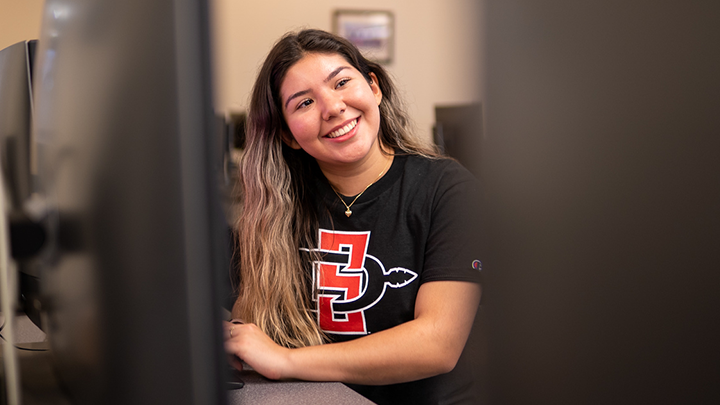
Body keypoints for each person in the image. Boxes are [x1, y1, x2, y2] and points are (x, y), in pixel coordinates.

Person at [224, 29, 484, 405]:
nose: (332, 108)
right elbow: (254, 315)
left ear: (374, 87)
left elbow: (437, 345)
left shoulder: (448, 189)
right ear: (288, 136)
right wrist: (235, 339)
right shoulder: (279, 203)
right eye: (303, 103)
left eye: (342, 82)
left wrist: (287, 361)